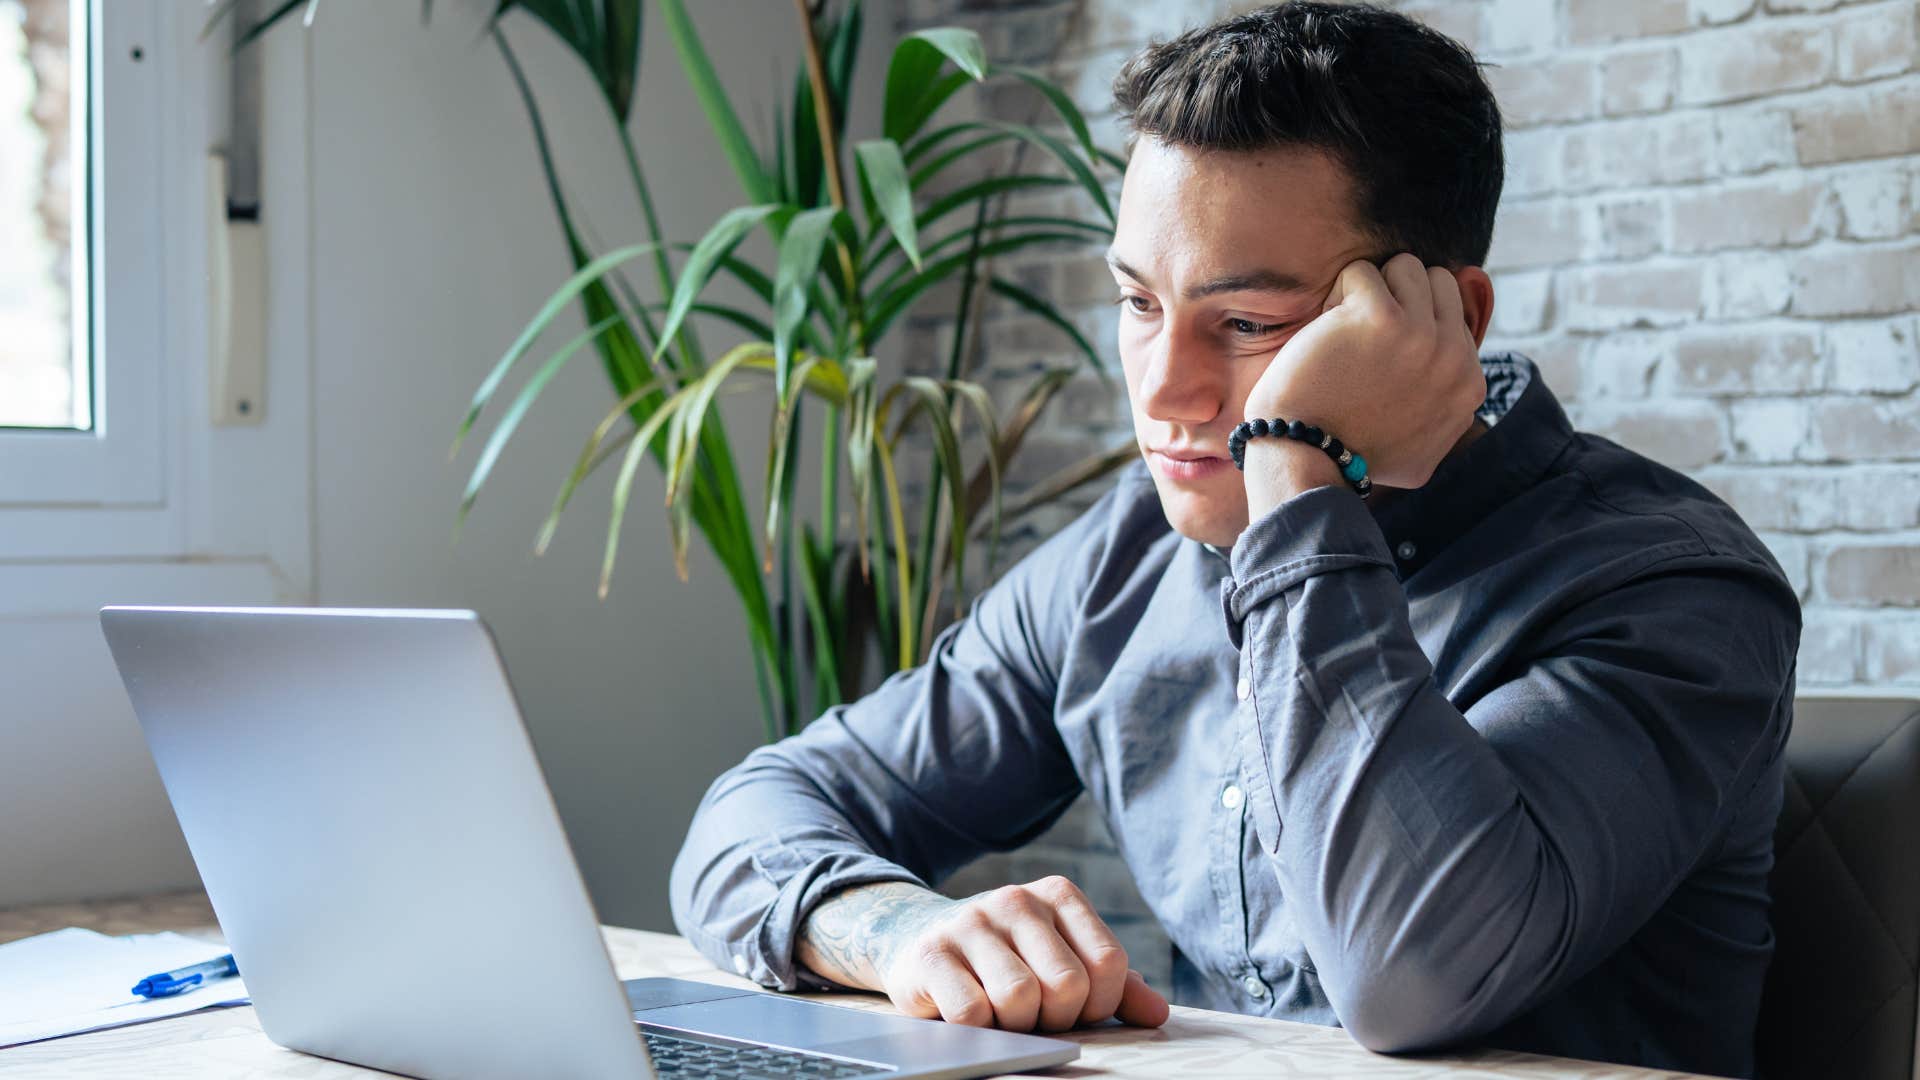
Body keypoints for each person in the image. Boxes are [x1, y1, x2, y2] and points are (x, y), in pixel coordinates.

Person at [670, 4, 1801, 1076]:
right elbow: (754, 814)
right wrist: (897, 931)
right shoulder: (1124, 561)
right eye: (1139, 303)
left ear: (1444, 320)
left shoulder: (1673, 591)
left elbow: (1410, 977)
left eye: (1248, 322)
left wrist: (1296, 469)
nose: (1165, 390)